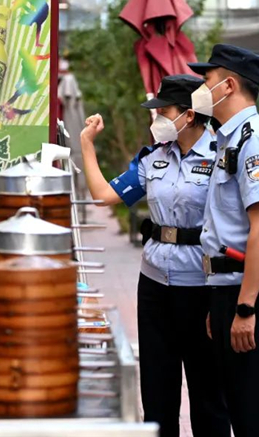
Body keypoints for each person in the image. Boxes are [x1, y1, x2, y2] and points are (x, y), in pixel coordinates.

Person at [80, 75, 229, 437]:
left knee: (208, 393)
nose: (157, 118)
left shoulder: (222, 157)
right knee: (157, 391)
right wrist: (86, 143)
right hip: (154, 286)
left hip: (202, 286)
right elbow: (103, 196)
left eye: (164, 111)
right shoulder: (153, 158)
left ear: (189, 115)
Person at [189, 44, 259, 436]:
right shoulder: (229, 139)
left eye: (207, 81)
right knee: (239, 409)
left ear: (229, 85)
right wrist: (221, 303)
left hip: (254, 295)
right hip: (230, 290)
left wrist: (246, 308)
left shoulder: (255, 142)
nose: (202, 90)